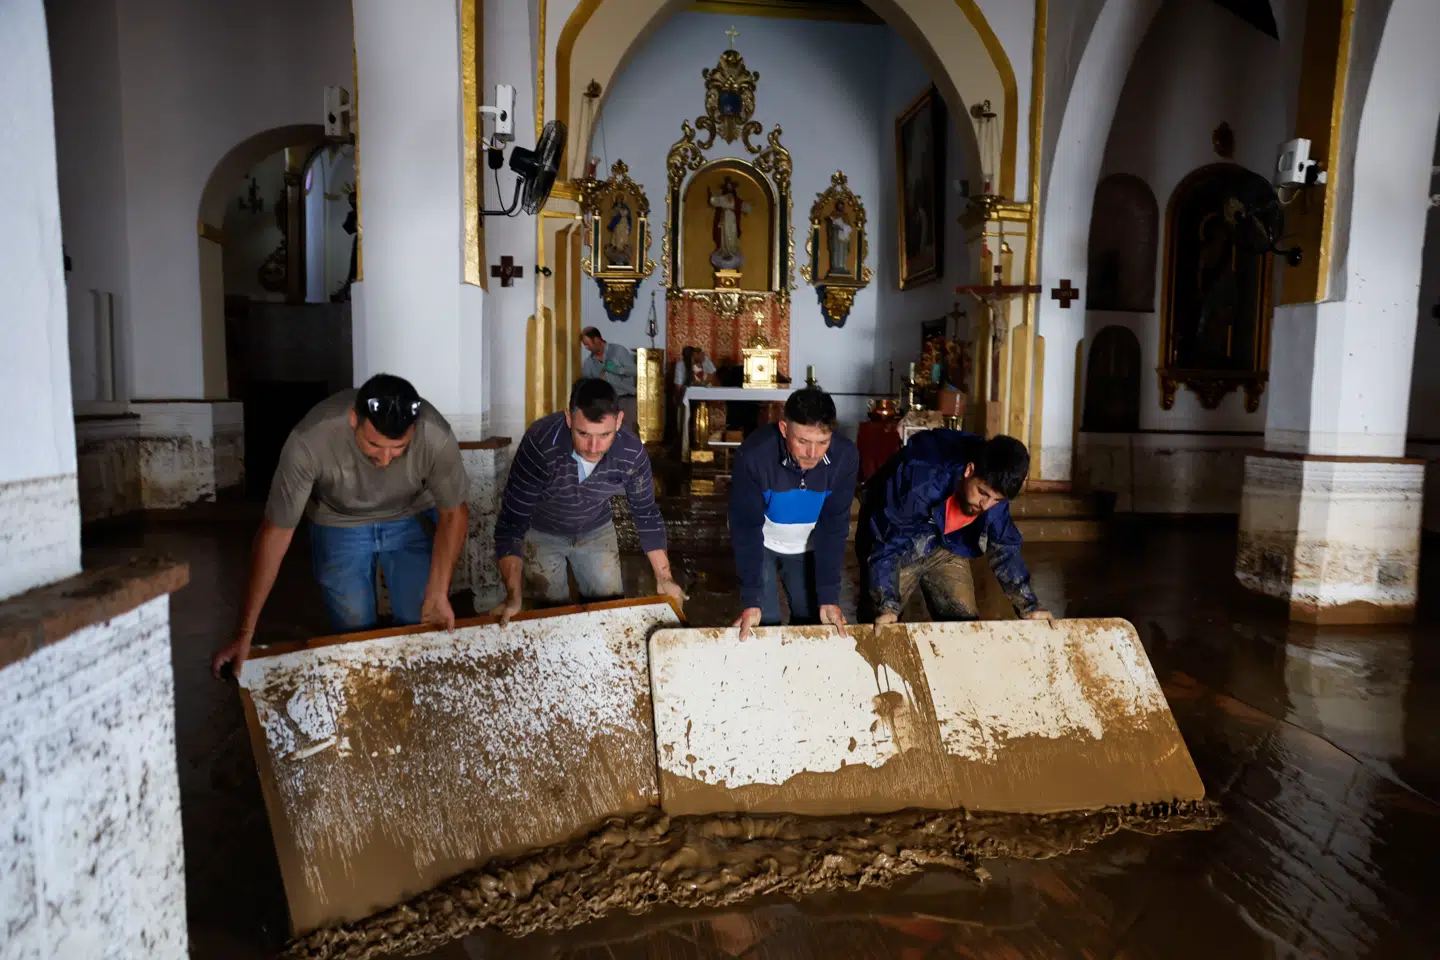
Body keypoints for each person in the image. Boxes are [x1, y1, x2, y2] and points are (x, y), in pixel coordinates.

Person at [211, 374, 469, 678]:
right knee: (352, 629)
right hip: (339, 520)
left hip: (410, 515)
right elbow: (276, 532)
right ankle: (363, 695)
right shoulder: (310, 439)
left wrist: (439, 593)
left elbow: (454, 514)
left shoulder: (434, 434)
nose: (385, 459)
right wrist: (245, 632)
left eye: (398, 447)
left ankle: (413, 698)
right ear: (353, 419)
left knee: (420, 622)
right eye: (374, 444)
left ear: (413, 430)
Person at [490, 378, 684, 622]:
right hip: (541, 534)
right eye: (583, 434)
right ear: (568, 419)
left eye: (605, 435)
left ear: (619, 421)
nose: (593, 447)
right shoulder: (541, 443)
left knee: (608, 614)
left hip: (596, 531)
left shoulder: (631, 452)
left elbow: (645, 513)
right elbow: (511, 522)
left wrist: (664, 578)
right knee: (547, 618)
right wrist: (513, 596)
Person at [858, 430, 1053, 624]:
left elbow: (1005, 548)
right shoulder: (922, 482)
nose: (985, 505)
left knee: (963, 626)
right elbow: (886, 544)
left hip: (946, 545)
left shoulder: (993, 488)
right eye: (982, 493)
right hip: (894, 543)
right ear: (969, 470)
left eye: (996, 499)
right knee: (880, 624)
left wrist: (1029, 607)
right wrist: (886, 605)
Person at [729, 388, 859, 639]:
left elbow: (834, 526)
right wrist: (751, 599)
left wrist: (829, 597)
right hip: (762, 542)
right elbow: (746, 527)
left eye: (823, 442)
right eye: (803, 442)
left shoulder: (845, 457)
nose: (813, 454)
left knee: (811, 622)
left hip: (807, 546)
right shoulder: (754, 454)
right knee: (764, 623)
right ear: (784, 428)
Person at [580, 327, 639, 433]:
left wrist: (618, 369)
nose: (586, 348)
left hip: (626, 399)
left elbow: (635, 371)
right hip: (606, 403)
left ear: (597, 340)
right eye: (585, 345)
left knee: (630, 433)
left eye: (588, 344)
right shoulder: (588, 363)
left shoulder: (618, 351)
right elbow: (586, 385)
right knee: (609, 433)